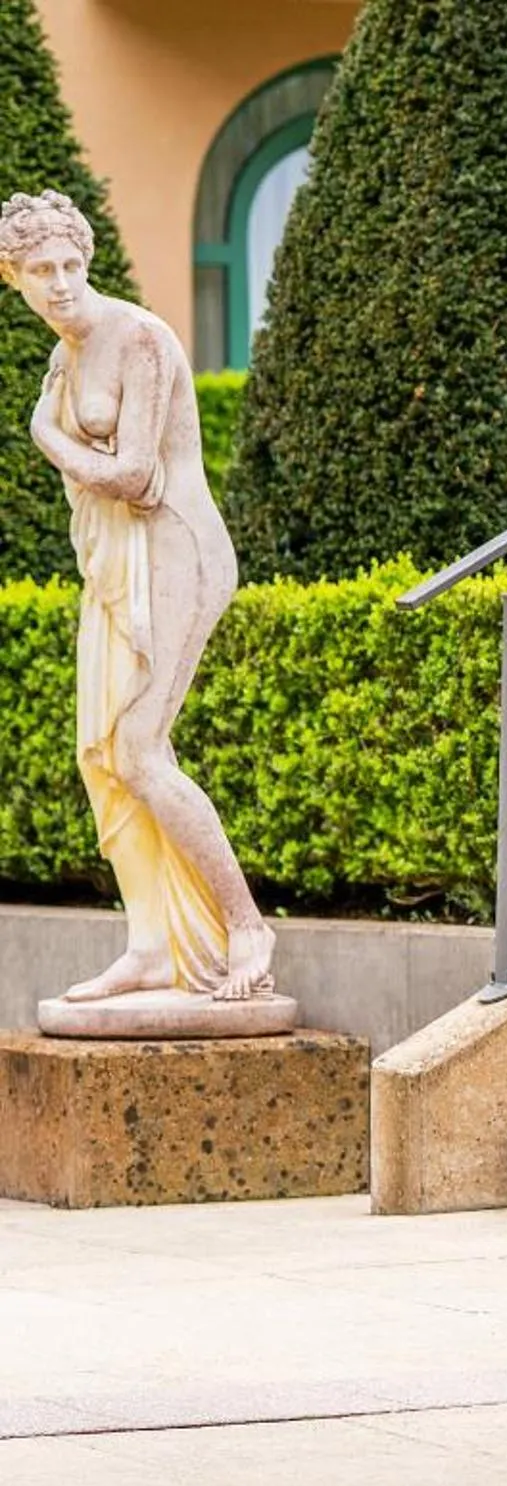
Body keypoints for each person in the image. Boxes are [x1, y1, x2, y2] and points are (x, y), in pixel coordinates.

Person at [2, 189, 276, 1003]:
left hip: (177, 550)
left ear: (88, 261)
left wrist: (46, 437)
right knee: (104, 759)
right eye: (41, 270)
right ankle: (152, 946)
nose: (60, 283)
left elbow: (133, 475)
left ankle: (248, 926)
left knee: (141, 752)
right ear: (13, 277)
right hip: (118, 564)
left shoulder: (141, 340)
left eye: (70, 264)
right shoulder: (67, 354)